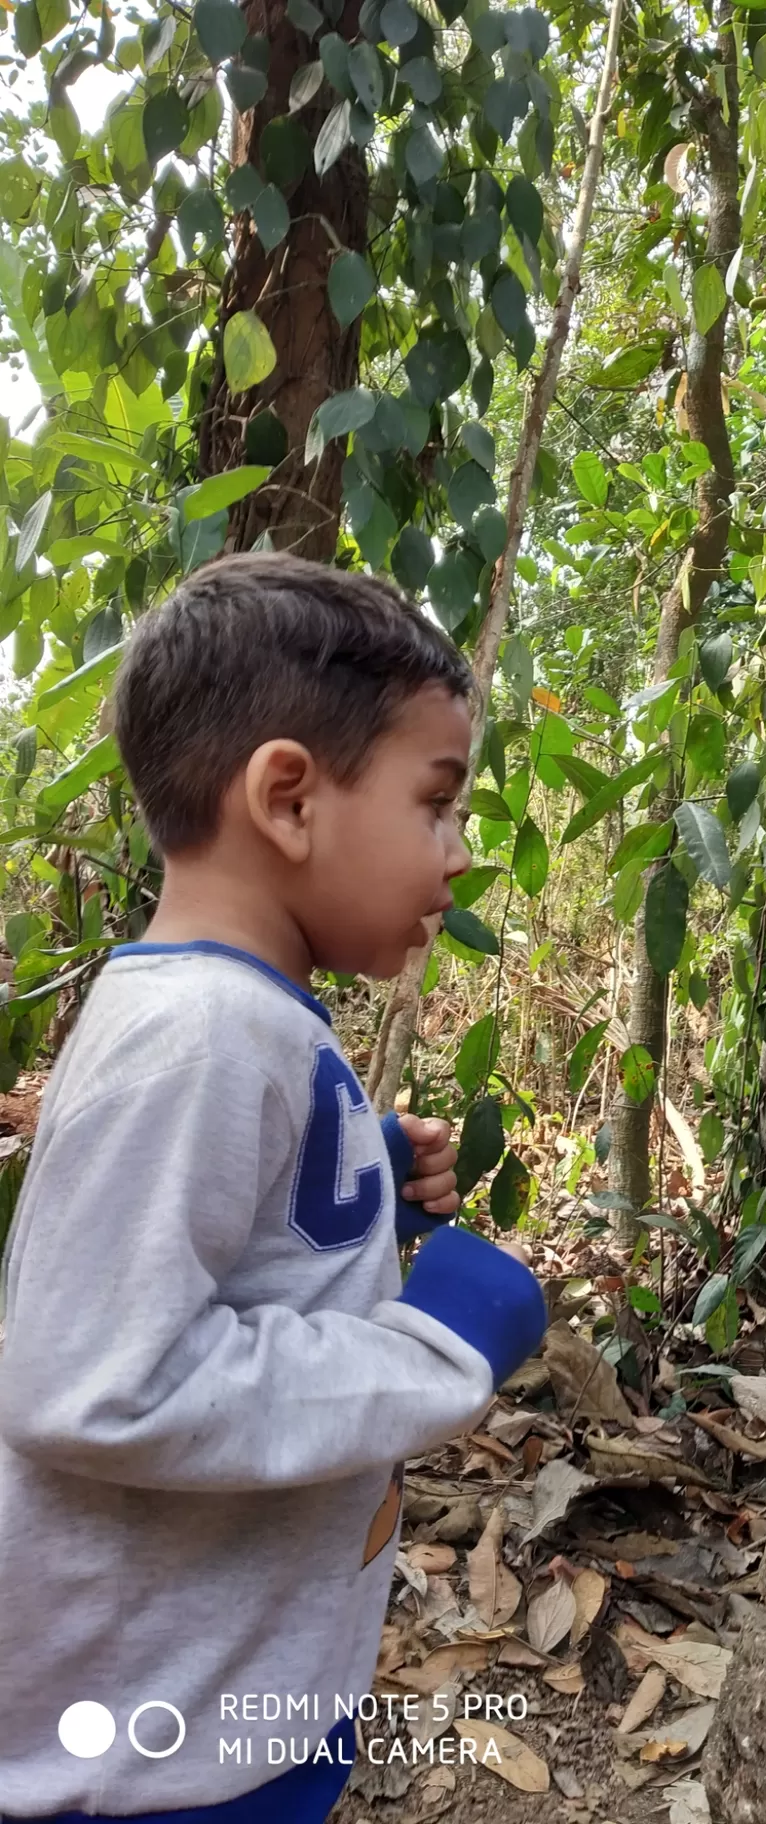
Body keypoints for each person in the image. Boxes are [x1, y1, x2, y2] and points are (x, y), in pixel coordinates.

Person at [0, 554, 546, 1822]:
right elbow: (94, 1385)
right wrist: (433, 1351)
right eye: (437, 804)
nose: (458, 857)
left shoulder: (242, 1018)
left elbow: (220, 1256)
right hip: (148, 1765)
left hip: (226, 1702)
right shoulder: (200, 1037)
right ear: (291, 799)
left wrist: (367, 1201)